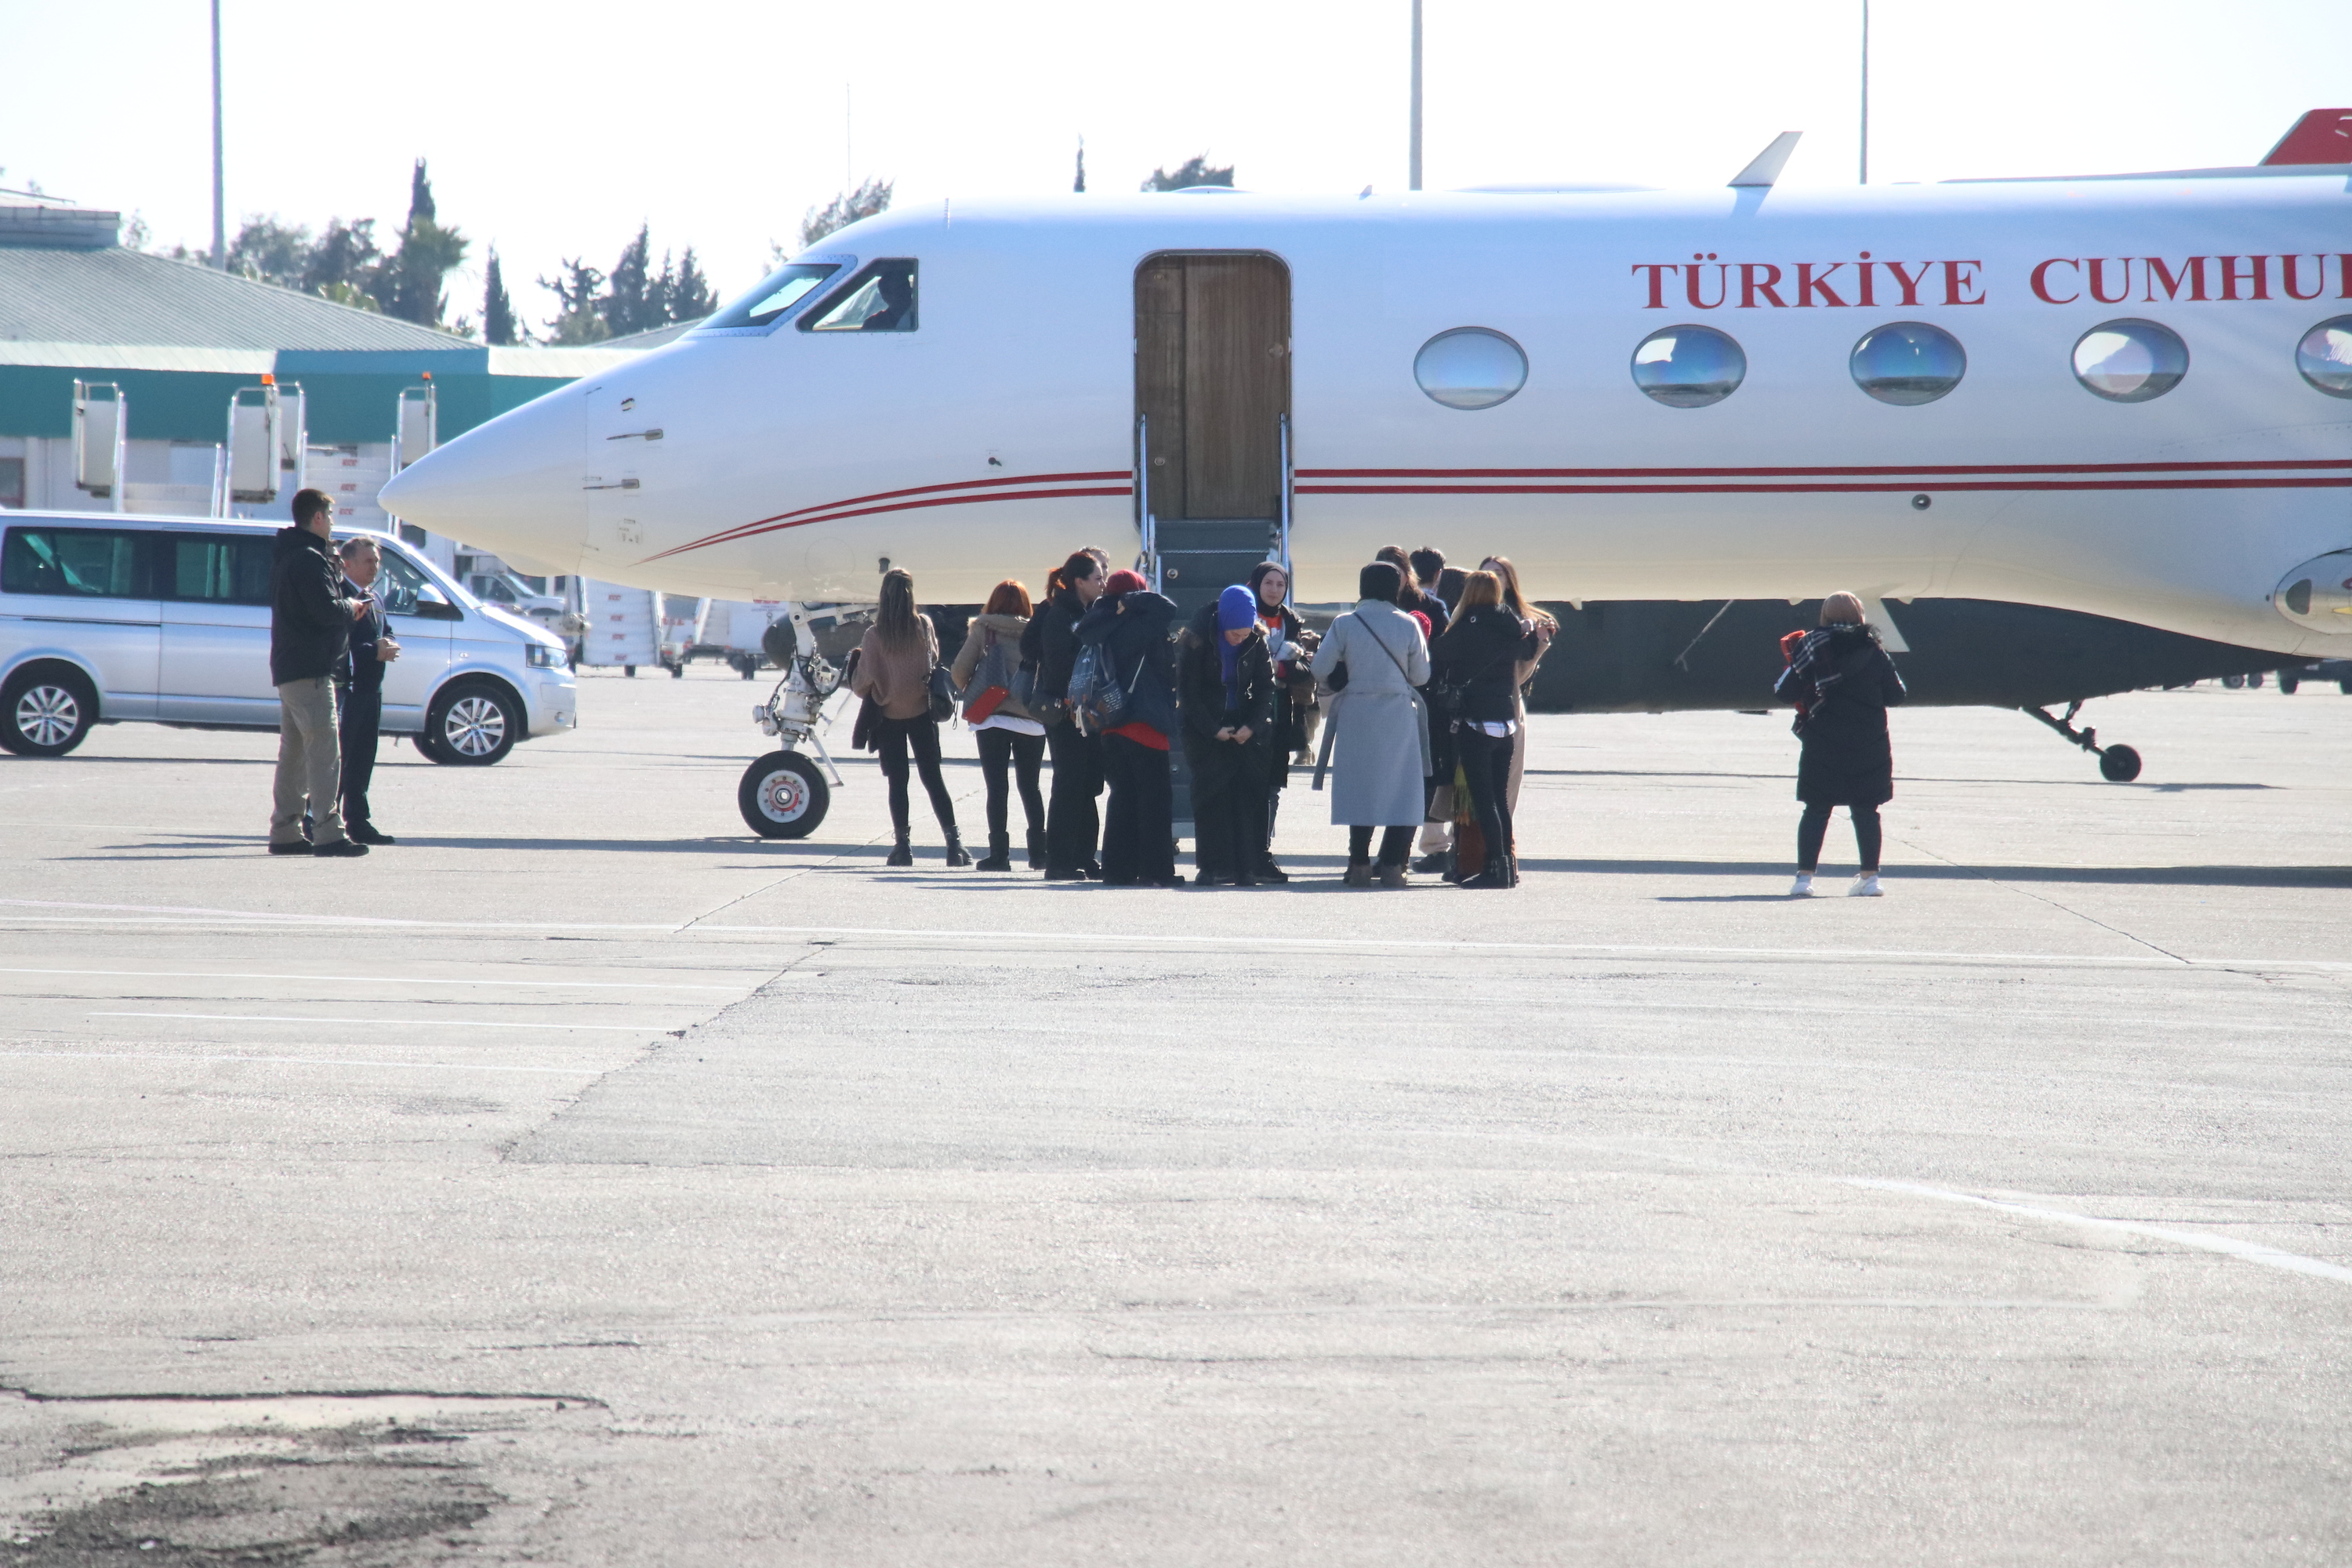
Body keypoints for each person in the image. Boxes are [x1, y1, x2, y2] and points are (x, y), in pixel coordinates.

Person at [1775, 592, 1907, 897]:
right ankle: (1870, 879)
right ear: (1859, 614)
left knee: (1817, 809)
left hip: (1823, 741)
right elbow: (1897, 695)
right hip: (1869, 741)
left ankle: (1804, 880)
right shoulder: (1874, 649)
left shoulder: (1809, 646)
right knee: (1866, 810)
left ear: (1825, 614)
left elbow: (1784, 691)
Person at [267, 489, 372, 858]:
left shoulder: (293, 555)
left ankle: (285, 831)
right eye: (330, 516)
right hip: (310, 668)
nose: (333, 523)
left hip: (291, 666)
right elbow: (326, 611)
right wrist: (352, 605)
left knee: (294, 753)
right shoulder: (308, 560)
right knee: (325, 751)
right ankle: (328, 831)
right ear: (317, 518)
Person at [1312, 561, 1431, 887]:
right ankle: (1393, 865)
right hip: (1397, 714)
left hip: (1356, 713)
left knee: (1360, 788)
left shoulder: (1345, 623)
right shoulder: (1408, 624)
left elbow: (1320, 668)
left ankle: (1359, 864)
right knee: (1403, 790)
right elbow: (1421, 676)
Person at [850, 568, 970, 867]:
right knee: (933, 779)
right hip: (921, 713)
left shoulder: (874, 635)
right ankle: (954, 845)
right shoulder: (924, 626)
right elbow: (932, 660)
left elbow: (861, 683)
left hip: (888, 717)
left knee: (898, 783)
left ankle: (903, 847)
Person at [1431, 570, 1540, 888]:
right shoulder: (1510, 627)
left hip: (1475, 722)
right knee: (1500, 800)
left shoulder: (1465, 627)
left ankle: (1494, 869)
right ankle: (1506, 866)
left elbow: (1437, 655)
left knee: (1484, 801)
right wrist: (1530, 633)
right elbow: (1528, 651)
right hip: (1506, 722)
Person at [1074, 568, 1180, 887]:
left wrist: (1118, 600)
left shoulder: (1099, 623)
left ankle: (1118, 870)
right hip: (1143, 719)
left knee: (1121, 799)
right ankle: (1156, 871)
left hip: (1110, 722)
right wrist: (1133, 598)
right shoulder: (1138, 623)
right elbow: (1168, 608)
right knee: (1154, 802)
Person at [1179, 584, 1276, 886]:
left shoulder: (1256, 640)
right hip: (1207, 728)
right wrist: (1213, 730)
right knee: (1212, 798)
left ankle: (1248, 865)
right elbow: (1188, 693)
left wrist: (1254, 726)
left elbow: (1266, 688)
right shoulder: (1195, 640)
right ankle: (1214, 866)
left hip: (1244, 725)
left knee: (1249, 796)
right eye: (1235, 634)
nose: (1240, 639)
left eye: (1245, 633)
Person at [1023, 550, 1108, 880]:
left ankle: (1085, 856)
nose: (1103, 583)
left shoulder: (1091, 611)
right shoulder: (1060, 614)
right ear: (1079, 582)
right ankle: (1059, 861)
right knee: (1069, 784)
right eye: (1097, 578)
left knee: (1089, 786)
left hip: (1090, 713)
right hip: (1067, 711)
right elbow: (1057, 663)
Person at [951, 579, 1046, 871]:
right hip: (1031, 719)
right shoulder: (1036, 629)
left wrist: (974, 689)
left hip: (992, 717)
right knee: (1031, 786)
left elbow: (958, 670)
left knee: (997, 788)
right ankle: (1039, 854)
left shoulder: (984, 628)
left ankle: (999, 855)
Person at [1247, 561, 1316, 881]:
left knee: (1273, 787)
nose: (1275, 590)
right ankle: (1244, 850)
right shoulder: (1243, 613)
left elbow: (1303, 669)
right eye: (1269, 583)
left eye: (1280, 585)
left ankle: (1263, 849)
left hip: (1281, 713)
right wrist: (1276, 664)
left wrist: (1284, 666)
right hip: (1249, 712)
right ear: (1256, 584)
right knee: (1249, 785)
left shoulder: (1291, 620)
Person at [336, 535, 402, 846]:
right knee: (340, 757)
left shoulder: (373, 597)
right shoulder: (340, 596)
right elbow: (341, 644)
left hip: (370, 690)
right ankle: (320, 818)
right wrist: (371, 650)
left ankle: (358, 821)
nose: (375, 567)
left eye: (377, 561)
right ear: (348, 563)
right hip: (348, 688)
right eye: (368, 561)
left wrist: (387, 644)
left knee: (363, 758)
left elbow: (383, 631)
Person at [1479, 554, 1557, 820]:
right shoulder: (1467, 615)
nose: (1493, 579)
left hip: (1508, 704)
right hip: (1472, 705)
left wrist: (1538, 646)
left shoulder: (1522, 621)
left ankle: (1500, 843)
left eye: (1499, 574)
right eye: (1487, 574)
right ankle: (1461, 845)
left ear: (1510, 582)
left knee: (1508, 782)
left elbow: (1519, 677)